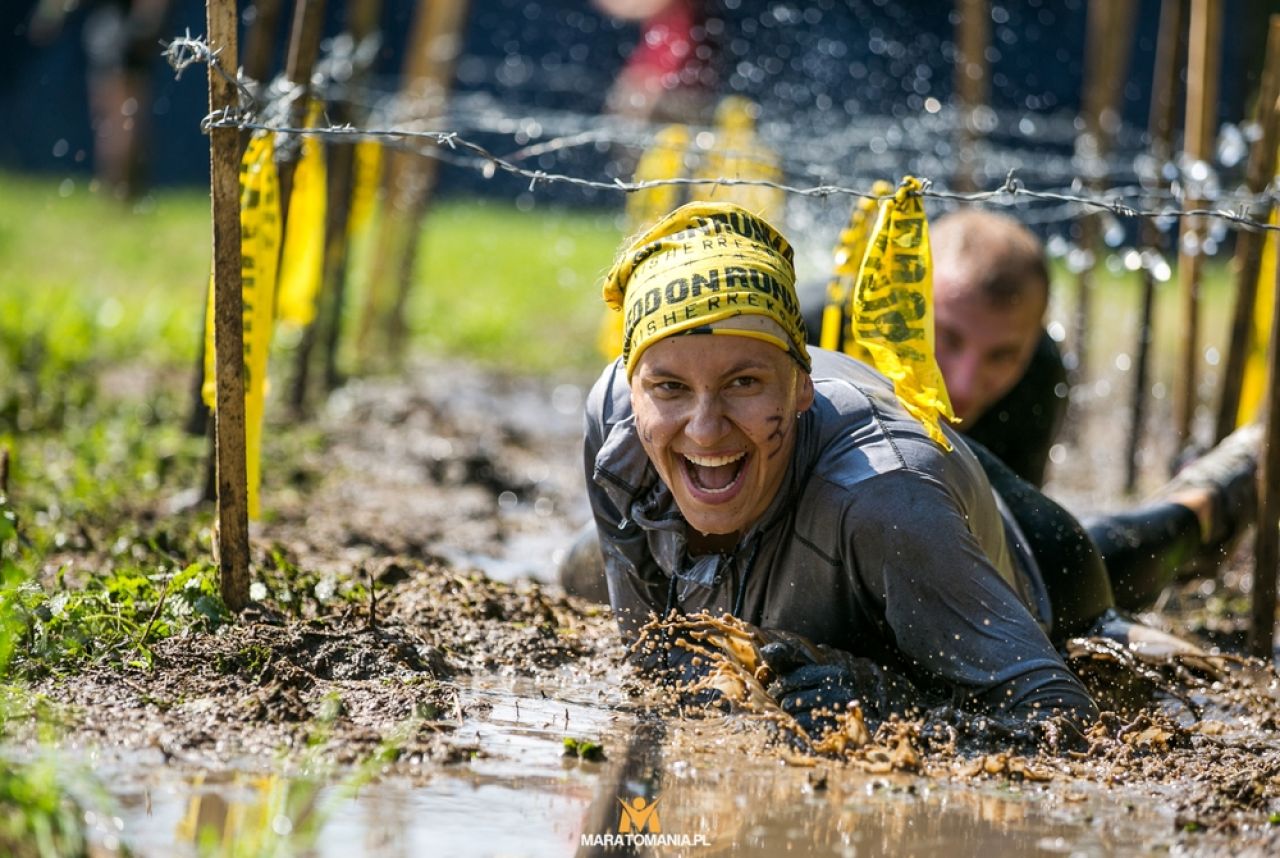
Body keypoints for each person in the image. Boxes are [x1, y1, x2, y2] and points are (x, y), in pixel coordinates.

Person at [580, 201, 1259, 737]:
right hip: (893, 492)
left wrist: (893, 697)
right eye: (668, 389)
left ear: (800, 383)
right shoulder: (614, 422)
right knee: (576, 566)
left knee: (1138, 549)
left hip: (1019, 551)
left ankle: (1229, 482)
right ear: (634, 386)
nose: (702, 427)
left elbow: (1059, 712)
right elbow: (657, 663)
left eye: (744, 383)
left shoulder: (890, 503)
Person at [799, 208, 1066, 487]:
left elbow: (1014, 521)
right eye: (949, 339)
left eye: (1001, 357)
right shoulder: (809, 333)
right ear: (903, 298)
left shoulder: (1039, 369)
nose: (963, 386)